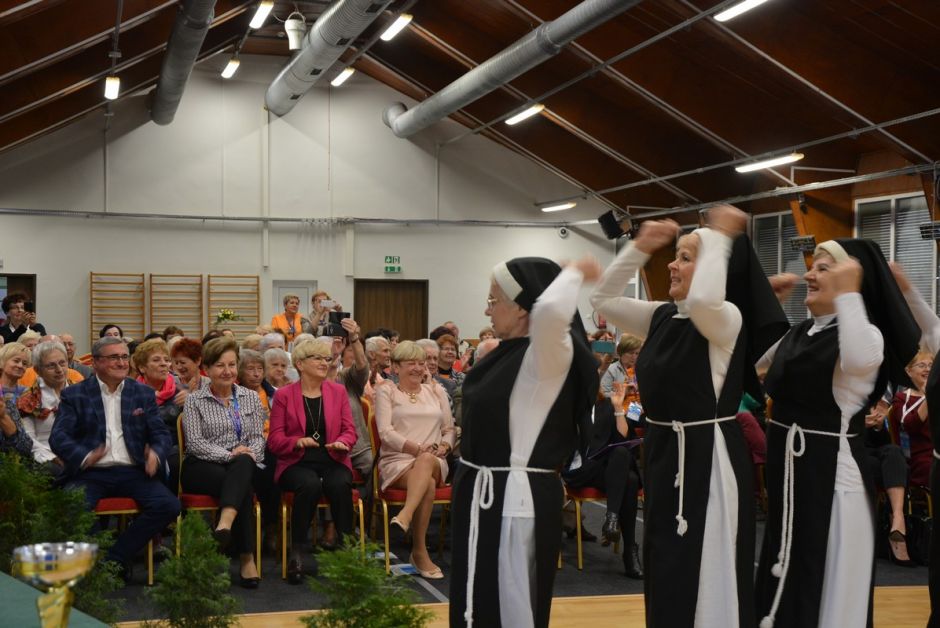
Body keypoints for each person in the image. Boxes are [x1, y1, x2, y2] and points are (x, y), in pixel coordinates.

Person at [591, 206, 788, 628]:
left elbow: (702, 301)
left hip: (707, 458)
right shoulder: (662, 315)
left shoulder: (726, 318)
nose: (671, 265)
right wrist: (640, 246)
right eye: (674, 255)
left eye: (684, 257)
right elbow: (601, 300)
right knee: (666, 568)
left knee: (706, 568)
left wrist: (718, 236)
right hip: (665, 455)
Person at [755, 239, 920, 628]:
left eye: (824, 268)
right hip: (791, 482)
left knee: (826, 588)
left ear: (852, 280)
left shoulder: (868, 336)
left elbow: (860, 358)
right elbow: (748, 363)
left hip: (832, 486)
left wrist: (849, 294)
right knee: (788, 578)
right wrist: (765, 302)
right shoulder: (799, 333)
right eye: (813, 266)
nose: (809, 275)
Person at [450, 255, 600, 628]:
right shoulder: (504, 353)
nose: (487, 310)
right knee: (477, 595)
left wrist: (572, 274)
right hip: (484, 490)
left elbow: (548, 313)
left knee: (510, 605)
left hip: (514, 498)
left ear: (521, 307)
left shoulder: (544, 357)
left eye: (493, 300)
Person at [49, 336, 181, 580]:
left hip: (133, 470)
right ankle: (102, 560)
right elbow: (58, 437)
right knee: (72, 505)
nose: (121, 363)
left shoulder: (142, 393)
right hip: (91, 472)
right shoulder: (75, 394)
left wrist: (156, 453)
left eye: (124, 357)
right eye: (114, 357)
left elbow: (161, 434)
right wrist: (85, 456)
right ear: (96, 362)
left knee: (169, 505)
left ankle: (113, 559)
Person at [267, 339, 357, 582]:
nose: (324, 363)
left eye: (326, 358)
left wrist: (343, 442)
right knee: (309, 484)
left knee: (339, 483)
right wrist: (297, 441)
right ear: (300, 364)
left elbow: (350, 430)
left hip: (332, 458)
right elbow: (274, 439)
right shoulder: (284, 395)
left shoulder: (337, 392)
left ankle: (347, 549)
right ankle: (297, 551)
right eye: (317, 358)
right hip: (295, 462)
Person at [181, 337, 265, 588]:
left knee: (244, 467)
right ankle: (247, 558)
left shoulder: (251, 397)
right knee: (242, 483)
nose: (227, 371)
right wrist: (230, 455)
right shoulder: (194, 400)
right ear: (206, 369)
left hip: (241, 465)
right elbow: (195, 443)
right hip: (202, 466)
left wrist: (247, 453)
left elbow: (258, 438)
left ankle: (224, 525)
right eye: (220, 365)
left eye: (231, 365)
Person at [376, 341, 456, 580]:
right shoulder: (387, 391)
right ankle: (419, 551)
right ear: (395, 367)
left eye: (421, 363)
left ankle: (405, 515)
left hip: (435, 460)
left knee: (426, 460)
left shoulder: (436, 391)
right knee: (427, 483)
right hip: (398, 461)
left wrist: (444, 446)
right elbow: (385, 432)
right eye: (411, 363)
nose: (418, 368)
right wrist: (416, 448)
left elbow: (449, 429)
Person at [564, 381, 643, 578]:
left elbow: (623, 439)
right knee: (629, 477)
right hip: (581, 470)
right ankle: (629, 551)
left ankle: (612, 520)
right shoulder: (568, 408)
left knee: (627, 470)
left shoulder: (606, 405)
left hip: (606, 470)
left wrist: (617, 408)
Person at [19, 340, 73, 478]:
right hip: (44, 457)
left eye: (62, 363)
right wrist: (52, 458)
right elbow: (29, 439)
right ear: (38, 370)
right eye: (51, 365)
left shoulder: (80, 393)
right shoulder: (29, 399)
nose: (59, 370)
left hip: (77, 453)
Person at [890, 352, 934, 488]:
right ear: (908, 371)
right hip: (918, 458)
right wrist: (928, 397)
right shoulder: (901, 398)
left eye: (931, 365)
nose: (927, 369)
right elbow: (909, 425)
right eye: (922, 365)